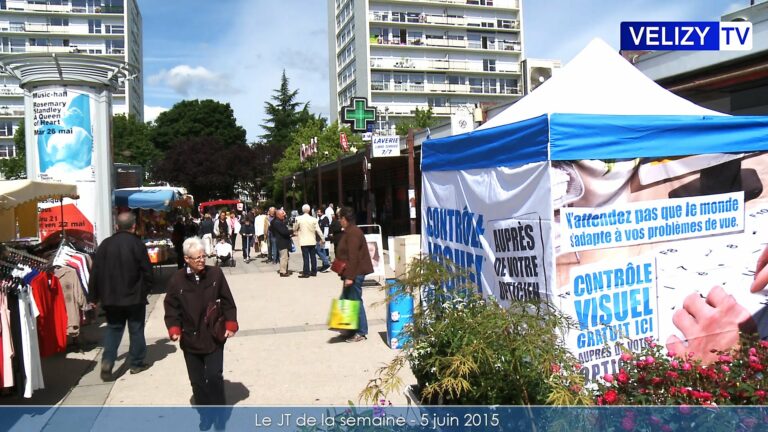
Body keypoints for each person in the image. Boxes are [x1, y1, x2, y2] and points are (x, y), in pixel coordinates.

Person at [164, 237, 238, 430]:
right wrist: (174, 329)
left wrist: (230, 324)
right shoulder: (177, 280)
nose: (201, 260)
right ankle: (205, 414)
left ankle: (219, 414)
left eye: (203, 256)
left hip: (213, 335)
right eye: (197, 258)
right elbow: (171, 308)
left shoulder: (215, 274)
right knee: (197, 382)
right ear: (186, 259)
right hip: (190, 338)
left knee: (214, 377)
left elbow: (228, 301)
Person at [88, 212, 153, 380]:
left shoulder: (105, 245)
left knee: (113, 329)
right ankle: (136, 363)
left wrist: (93, 297)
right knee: (136, 329)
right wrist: (146, 289)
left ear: (116, 226)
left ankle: (108, 361)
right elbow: (147, 271)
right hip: (134, 297)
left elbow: (95, 272)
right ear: (133, 226)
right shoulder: (137, 244)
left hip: (111, 298)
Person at [335, 206, 374, 342]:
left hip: (355, 273)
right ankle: (348, 328)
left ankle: (361, 331)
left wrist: (350, 277)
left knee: (355, 301)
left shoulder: (353, 233)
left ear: (345, 219)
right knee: (346, 299)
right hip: (352, 272)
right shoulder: (350, 231)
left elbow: (353, 257)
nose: (339, 221)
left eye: (340, 218)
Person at [294, 204, 325, 278]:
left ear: (302, 210)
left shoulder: (298, 218)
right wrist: (322, 239)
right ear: (309, 210)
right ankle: (314, 271)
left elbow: (295, 228)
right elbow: (318, 230)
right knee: (313, 257)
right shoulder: (314, 219)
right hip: (312, 240)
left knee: (306, 257)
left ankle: (306, 272)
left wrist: (295, 229)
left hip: (304, 241)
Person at [270, 209, 293, 277]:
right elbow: (284, 232)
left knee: (285, 257)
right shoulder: (277, 222)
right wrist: (292, 231)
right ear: (278, 215)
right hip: (282, 241)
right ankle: (283, 272)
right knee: (283, 257)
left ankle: (285, 270)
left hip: (282, 241)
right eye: (282, 214)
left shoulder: (278, 221)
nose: (284, 215)